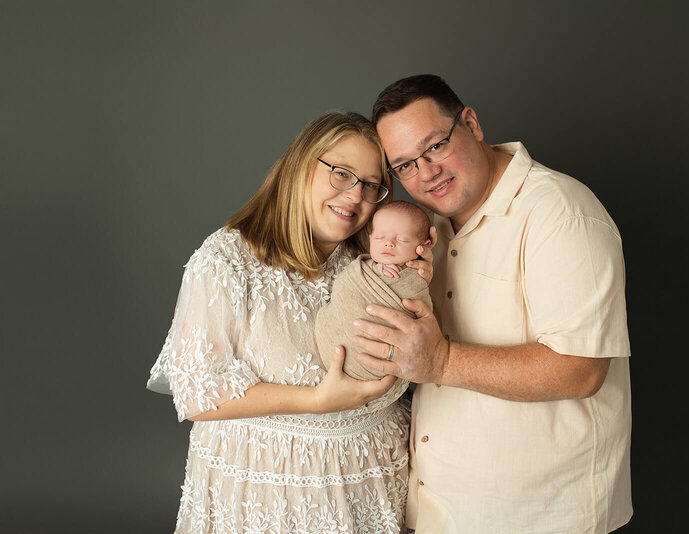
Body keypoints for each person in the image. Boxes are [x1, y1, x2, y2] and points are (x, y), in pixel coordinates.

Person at [352, 75, 632, 533]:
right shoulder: (425, 232)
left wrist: (441, 361)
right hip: (441, 511)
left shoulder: (560, 213)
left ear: (471, 123)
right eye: (403, 166)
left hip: (539, 517)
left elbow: (581, 369)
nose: (425, 174)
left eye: (435, 147)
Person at [146, 111, 432, 533]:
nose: (355, 196)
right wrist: (317, 401)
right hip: (275, 500)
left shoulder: (371, 261)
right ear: (300, 166)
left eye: (372, 185)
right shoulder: (227, 261)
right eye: (341, 173)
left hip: (375, 490)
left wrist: (417, 287)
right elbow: (195, 395)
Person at [316, 200, 433, 380]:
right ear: (371, 239)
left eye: (401, 239)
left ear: (422, 246)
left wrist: (414, 279)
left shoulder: (416, 279)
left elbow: (421, 318)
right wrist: (378, 270)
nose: (388, 244)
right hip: (331, 341)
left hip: (377, 366)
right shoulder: (361, 269)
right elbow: (344, 288)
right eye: (380, 238)